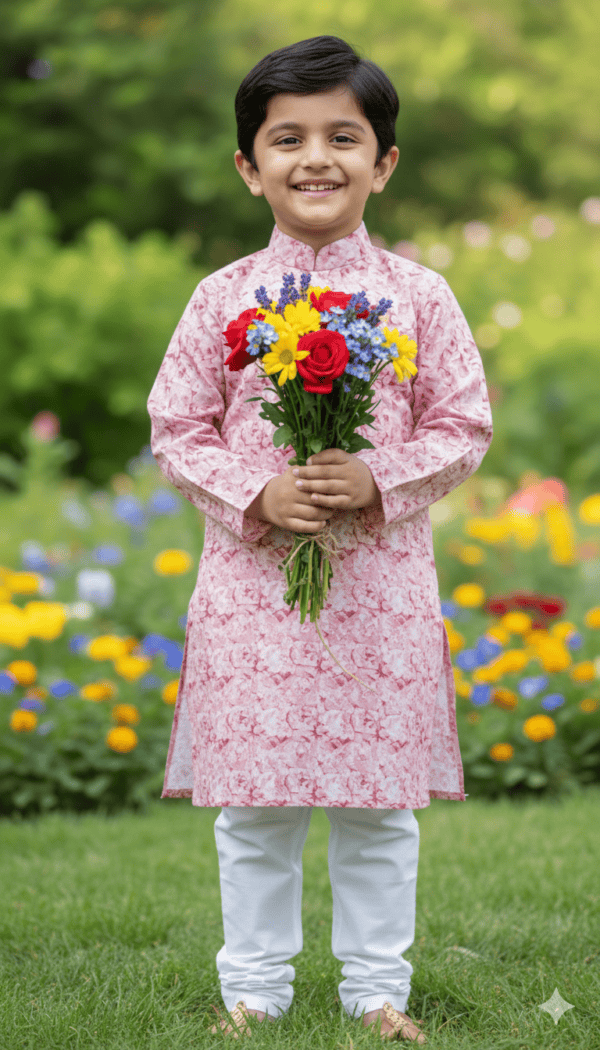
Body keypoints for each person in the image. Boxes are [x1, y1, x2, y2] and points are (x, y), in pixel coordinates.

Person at [147, 35, 493, 1043]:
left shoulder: (419, 296)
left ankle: (374, 991)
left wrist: (380, 477)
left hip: (378, 590)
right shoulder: (223, 298)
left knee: (379, 812)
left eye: (345, 136)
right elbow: (177, 427)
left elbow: (463, 422)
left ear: (384, 162)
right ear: (249, 166)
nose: (317, 158)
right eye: (287, 137)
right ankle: (254, 991)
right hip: (256, 600)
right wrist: (257, 492)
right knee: (254, 811)